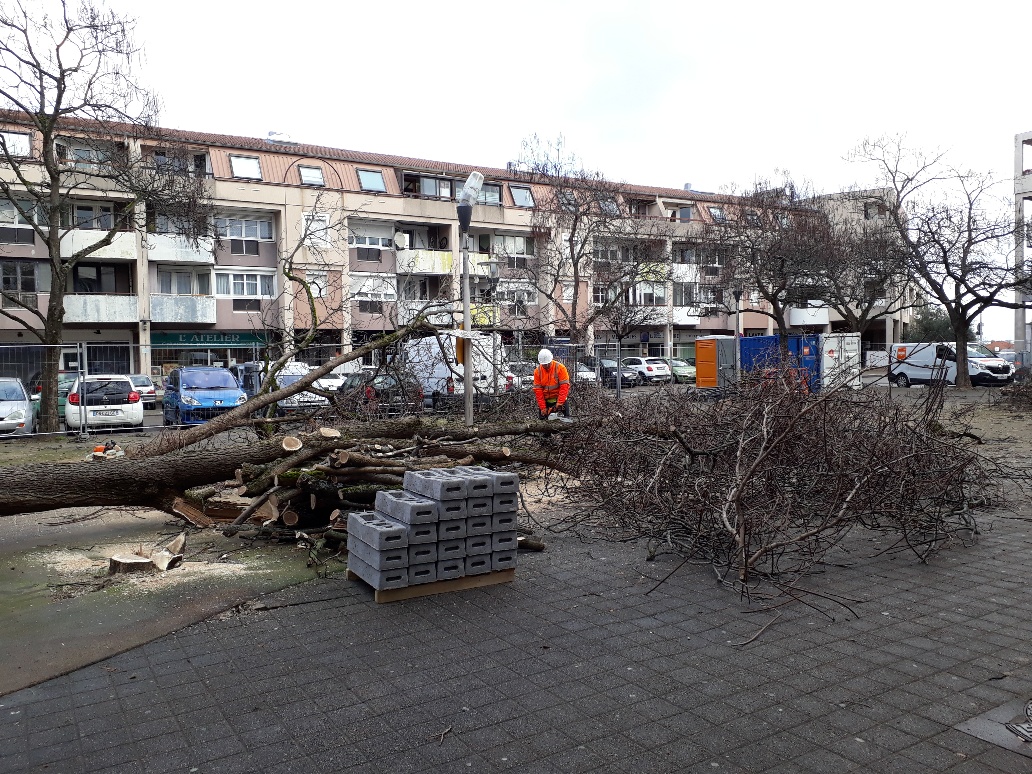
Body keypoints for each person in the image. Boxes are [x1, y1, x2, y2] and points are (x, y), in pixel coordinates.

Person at [532, 348, 570, 419]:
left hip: (560, 399)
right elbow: (538, 391)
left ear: (551, 360)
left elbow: (564, 387)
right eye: (544, 364)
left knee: (566, 420)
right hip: (546, 401)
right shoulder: (538, 371)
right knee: (542, 424)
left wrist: (559, 403)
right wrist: (543, 408)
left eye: (547, 364)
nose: (546, 366)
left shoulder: (560, 368)